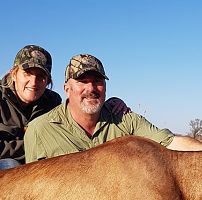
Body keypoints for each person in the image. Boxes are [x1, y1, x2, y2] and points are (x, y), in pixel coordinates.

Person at [24, 54, 202, 163]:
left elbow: (171, 143)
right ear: (67, 89)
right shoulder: (39, 130)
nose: (91, 89)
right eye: (83, 81)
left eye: (98, 81)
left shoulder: (125, 119)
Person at [0, 46, 130, 169]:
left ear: (48, 80)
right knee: (10, 165)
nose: (34, 82)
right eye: (27, 73)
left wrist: (110, 104)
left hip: (37, 164)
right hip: (9, 165)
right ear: (14, 74)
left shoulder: (52, 101)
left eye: (41, 76)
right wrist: (35, 143)